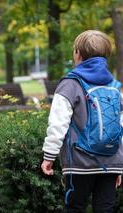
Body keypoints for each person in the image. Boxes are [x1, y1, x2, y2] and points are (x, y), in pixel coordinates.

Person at [41, 30, 123, 212]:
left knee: (75, 207)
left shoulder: (70, 84)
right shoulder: (115, 86)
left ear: (77, 54)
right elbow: (120, 126)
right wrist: (119, 165)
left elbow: (58, 123)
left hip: (79, 163)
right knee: (105, 209)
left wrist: (49, 155)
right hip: (110, 163)